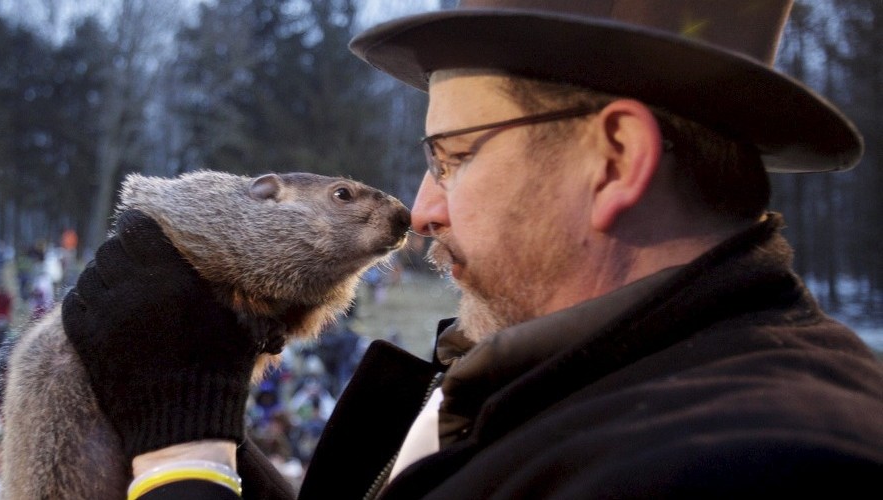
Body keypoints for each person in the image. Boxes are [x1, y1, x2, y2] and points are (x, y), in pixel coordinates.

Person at [59, 1, 883, 498]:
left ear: (617, 160)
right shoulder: (553, 376)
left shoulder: (756, 468)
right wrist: (197, 404)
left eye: (456, 156)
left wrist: (183, 461)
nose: (421, 212)